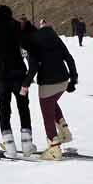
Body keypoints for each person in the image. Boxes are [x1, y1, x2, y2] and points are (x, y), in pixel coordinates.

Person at [0, 5, 36, 155]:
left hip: (1, 76)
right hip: (19, 74)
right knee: (23, 107)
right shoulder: (16, 26)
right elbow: (32, 38)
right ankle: (27, 145)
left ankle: (10, 146)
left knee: (4, 110)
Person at [22, 18, 81, 156]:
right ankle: (64, 131)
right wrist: (74, 79)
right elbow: (68, 57)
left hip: (48, 83)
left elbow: (33, 67)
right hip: (63, 81)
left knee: (47, 115)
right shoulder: (54, 37)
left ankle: (54, 147)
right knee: (52, 103)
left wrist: (25, 85)